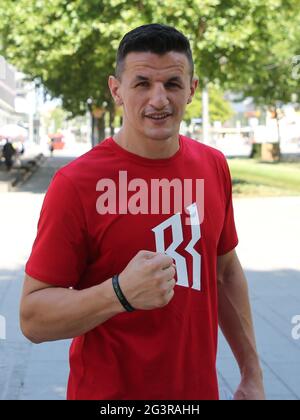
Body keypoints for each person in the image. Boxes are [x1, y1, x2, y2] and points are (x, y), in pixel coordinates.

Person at [20, 24, 265, 400]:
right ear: (116, 90)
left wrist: (251, 372)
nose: (159, 99)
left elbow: (225, 271)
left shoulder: (213, 166)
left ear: (192, 89)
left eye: (172, 83)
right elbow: (32, 318)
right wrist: (119, 293)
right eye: (142, 84)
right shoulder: (76, 183)